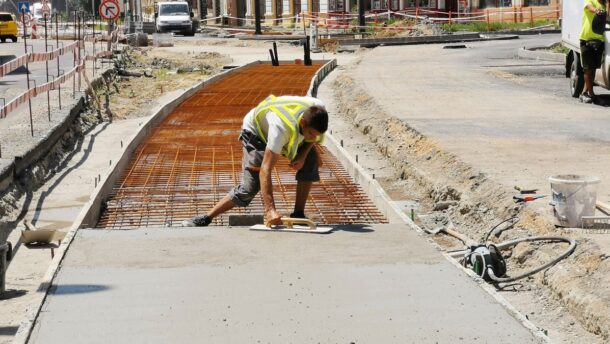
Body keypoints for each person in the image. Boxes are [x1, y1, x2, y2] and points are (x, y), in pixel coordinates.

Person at [182, 95, 328, 227]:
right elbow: (266, 170)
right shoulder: (280, 129)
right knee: (250, 187)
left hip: (281, 129)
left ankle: (298, 214)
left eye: (316, 135)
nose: (312, 138)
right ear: (302, 122)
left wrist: (303, 156)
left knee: (312, 159)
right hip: (256, 133)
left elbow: (313, 137)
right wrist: (270, 210)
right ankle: (207, 217)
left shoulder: (318, 108)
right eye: (310, 133)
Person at [579, 0, 609, 104]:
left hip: (599, 41)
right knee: (588, 69)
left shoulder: (604, 5)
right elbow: (589, 7)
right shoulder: (590, 0)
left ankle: (584, 93)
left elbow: (608, 17)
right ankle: (591, 94)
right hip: (587, 40)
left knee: (593, 70)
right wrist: (597, 10)